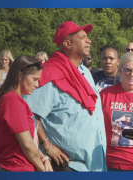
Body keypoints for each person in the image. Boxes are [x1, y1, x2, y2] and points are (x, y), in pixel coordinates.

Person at [23, 21, 106, 171]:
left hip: (94, 164)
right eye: (82, 37)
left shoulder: (85, 72)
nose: (89, 40)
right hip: (67, 166)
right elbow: (28, 114)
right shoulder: (49, 74)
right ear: (67, 44)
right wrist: (46, 146)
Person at [0, 55, 52, 172]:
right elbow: (27, 144)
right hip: (16, 167)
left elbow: (30, 142)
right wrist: (42, 168)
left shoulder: (14, 100)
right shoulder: (12, 100)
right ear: (20, 75)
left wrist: (44, 158)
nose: (37, 84)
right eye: (34, 79)